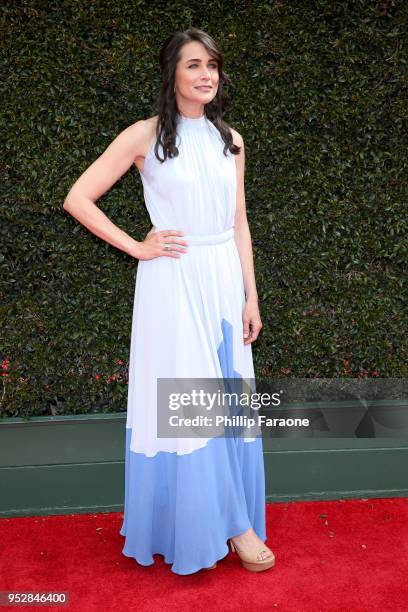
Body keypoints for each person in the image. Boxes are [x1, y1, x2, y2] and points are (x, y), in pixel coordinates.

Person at [63, 27, 275, 575]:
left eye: (213, 65)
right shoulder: (143, 135)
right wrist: (138, 245)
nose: (207, 75)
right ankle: (236, 528)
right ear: (172, 75)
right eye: (194, 65)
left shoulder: (232, 139)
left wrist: (251, 295)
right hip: (173, 281)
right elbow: (78, 197)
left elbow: (238, 221)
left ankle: (220, 519)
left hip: (223, 280)